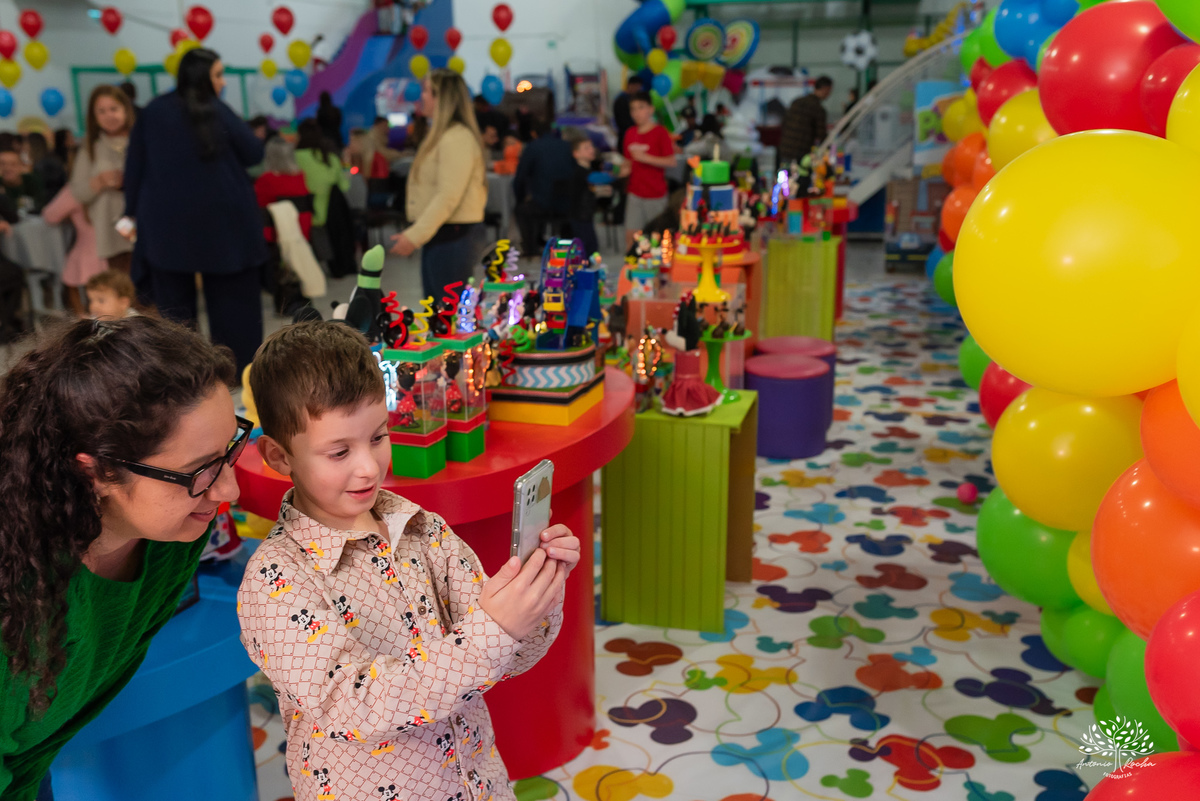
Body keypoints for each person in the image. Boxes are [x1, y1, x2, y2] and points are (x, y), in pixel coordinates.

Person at [238, 321, 576, 801]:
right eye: (339, 451)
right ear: (279, 455)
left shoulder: (423, 529)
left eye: (377, 437)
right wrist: (493, 631)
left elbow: (509, 655)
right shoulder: (276, 579)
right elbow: (351, 707)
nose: (369, 466)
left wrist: (539, 590)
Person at [0, 315, 245, 801]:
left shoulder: (174, 527)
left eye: (230, 449)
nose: (229, 490)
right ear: (97, 472)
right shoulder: (18, 597)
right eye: (199, 471)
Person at [123, 47, 267, 374]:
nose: (223, 82)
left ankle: (186, 377)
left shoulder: (154, 112)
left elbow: (134, 167)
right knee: (235, 309)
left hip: (166, 230)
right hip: (226, 229)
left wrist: (131, 213)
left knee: (176, 315)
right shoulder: (217, 110)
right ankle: (238, 372)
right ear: (203, 77)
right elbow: (254, 152)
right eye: (218, 74)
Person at [390, 69, 488, 301]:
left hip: (453, 235)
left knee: (447, 317)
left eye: (426, 91)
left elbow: (448, 196)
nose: (421, 96)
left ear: (442, 98)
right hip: (443, 234)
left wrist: (414, 236)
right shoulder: (443, 135)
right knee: (438, 314)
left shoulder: (456, 138)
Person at [69, 85, 135, 273]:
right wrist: (99, 182)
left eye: (114, 109)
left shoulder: (139, 141)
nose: (109, 116)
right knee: (121, 282)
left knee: (148, 287)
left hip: (143, 223)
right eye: (102, 111)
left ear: (125, 109)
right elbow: (78, 191)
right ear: (94, 116)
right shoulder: (91, 147)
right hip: (111, 228)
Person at [620, 91, 675, 250]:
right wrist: (622, 170)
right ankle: (632, 271)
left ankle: (657, 273)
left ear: (650, 109)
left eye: (641, 107)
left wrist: (645, 158)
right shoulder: (630, 133)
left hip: (655, 194)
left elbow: (671, 161)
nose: (636, 112)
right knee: (631, 237)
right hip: (635, 193)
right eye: (633, 109)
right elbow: (627, 161)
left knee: (656, 239)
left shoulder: (660, 132)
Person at [513, 119, 576, 255]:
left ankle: (531, 248)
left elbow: (520, 178)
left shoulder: (533, 147)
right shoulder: (566, 146)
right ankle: (545, 240)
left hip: (543, 203)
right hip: (568, 203)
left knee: (523, 209)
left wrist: (519, 198)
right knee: (538, 200)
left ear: (534, 133)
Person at [255, 138, 313, 243]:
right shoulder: (300, 177)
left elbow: (258, 207)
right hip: (301, 232)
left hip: (274, 235)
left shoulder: (266, 179)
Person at [780, 75, 833, 166]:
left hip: (784, 148)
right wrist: (830, 150)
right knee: (798, 178)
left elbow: (784, 123)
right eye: (829, 90)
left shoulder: (796, 101)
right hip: (800, 153)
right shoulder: (818, 109)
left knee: (784, 177)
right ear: (825, 89)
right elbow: (821, 135)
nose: (830, 94)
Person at [565, 129, 601, 256]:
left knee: (591, 247)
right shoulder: (580, 172)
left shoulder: (587, 170)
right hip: (579, 217)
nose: (591, 150)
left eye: (591, 146)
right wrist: (618, 173)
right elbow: (596, 178)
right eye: (586, 148)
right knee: (586, 249)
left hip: (586, 216)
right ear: (576, 154)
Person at [0, 148, 45, 213]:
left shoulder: (32, 181)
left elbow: (41, 205)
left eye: (13, 164)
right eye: (2, 164)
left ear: (21, 166)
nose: (7, 168)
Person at [27, 132, 66, 200]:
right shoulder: (49, 159)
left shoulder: (43, 163)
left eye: (26, 144)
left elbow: (42, 185)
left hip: (51, 200)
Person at [612, 75, 643, 152]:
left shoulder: (633, 98)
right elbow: (623, 122)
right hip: (625, 137)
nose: (638, 89)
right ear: (630, 85)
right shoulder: (621, 100)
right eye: (637, 87)